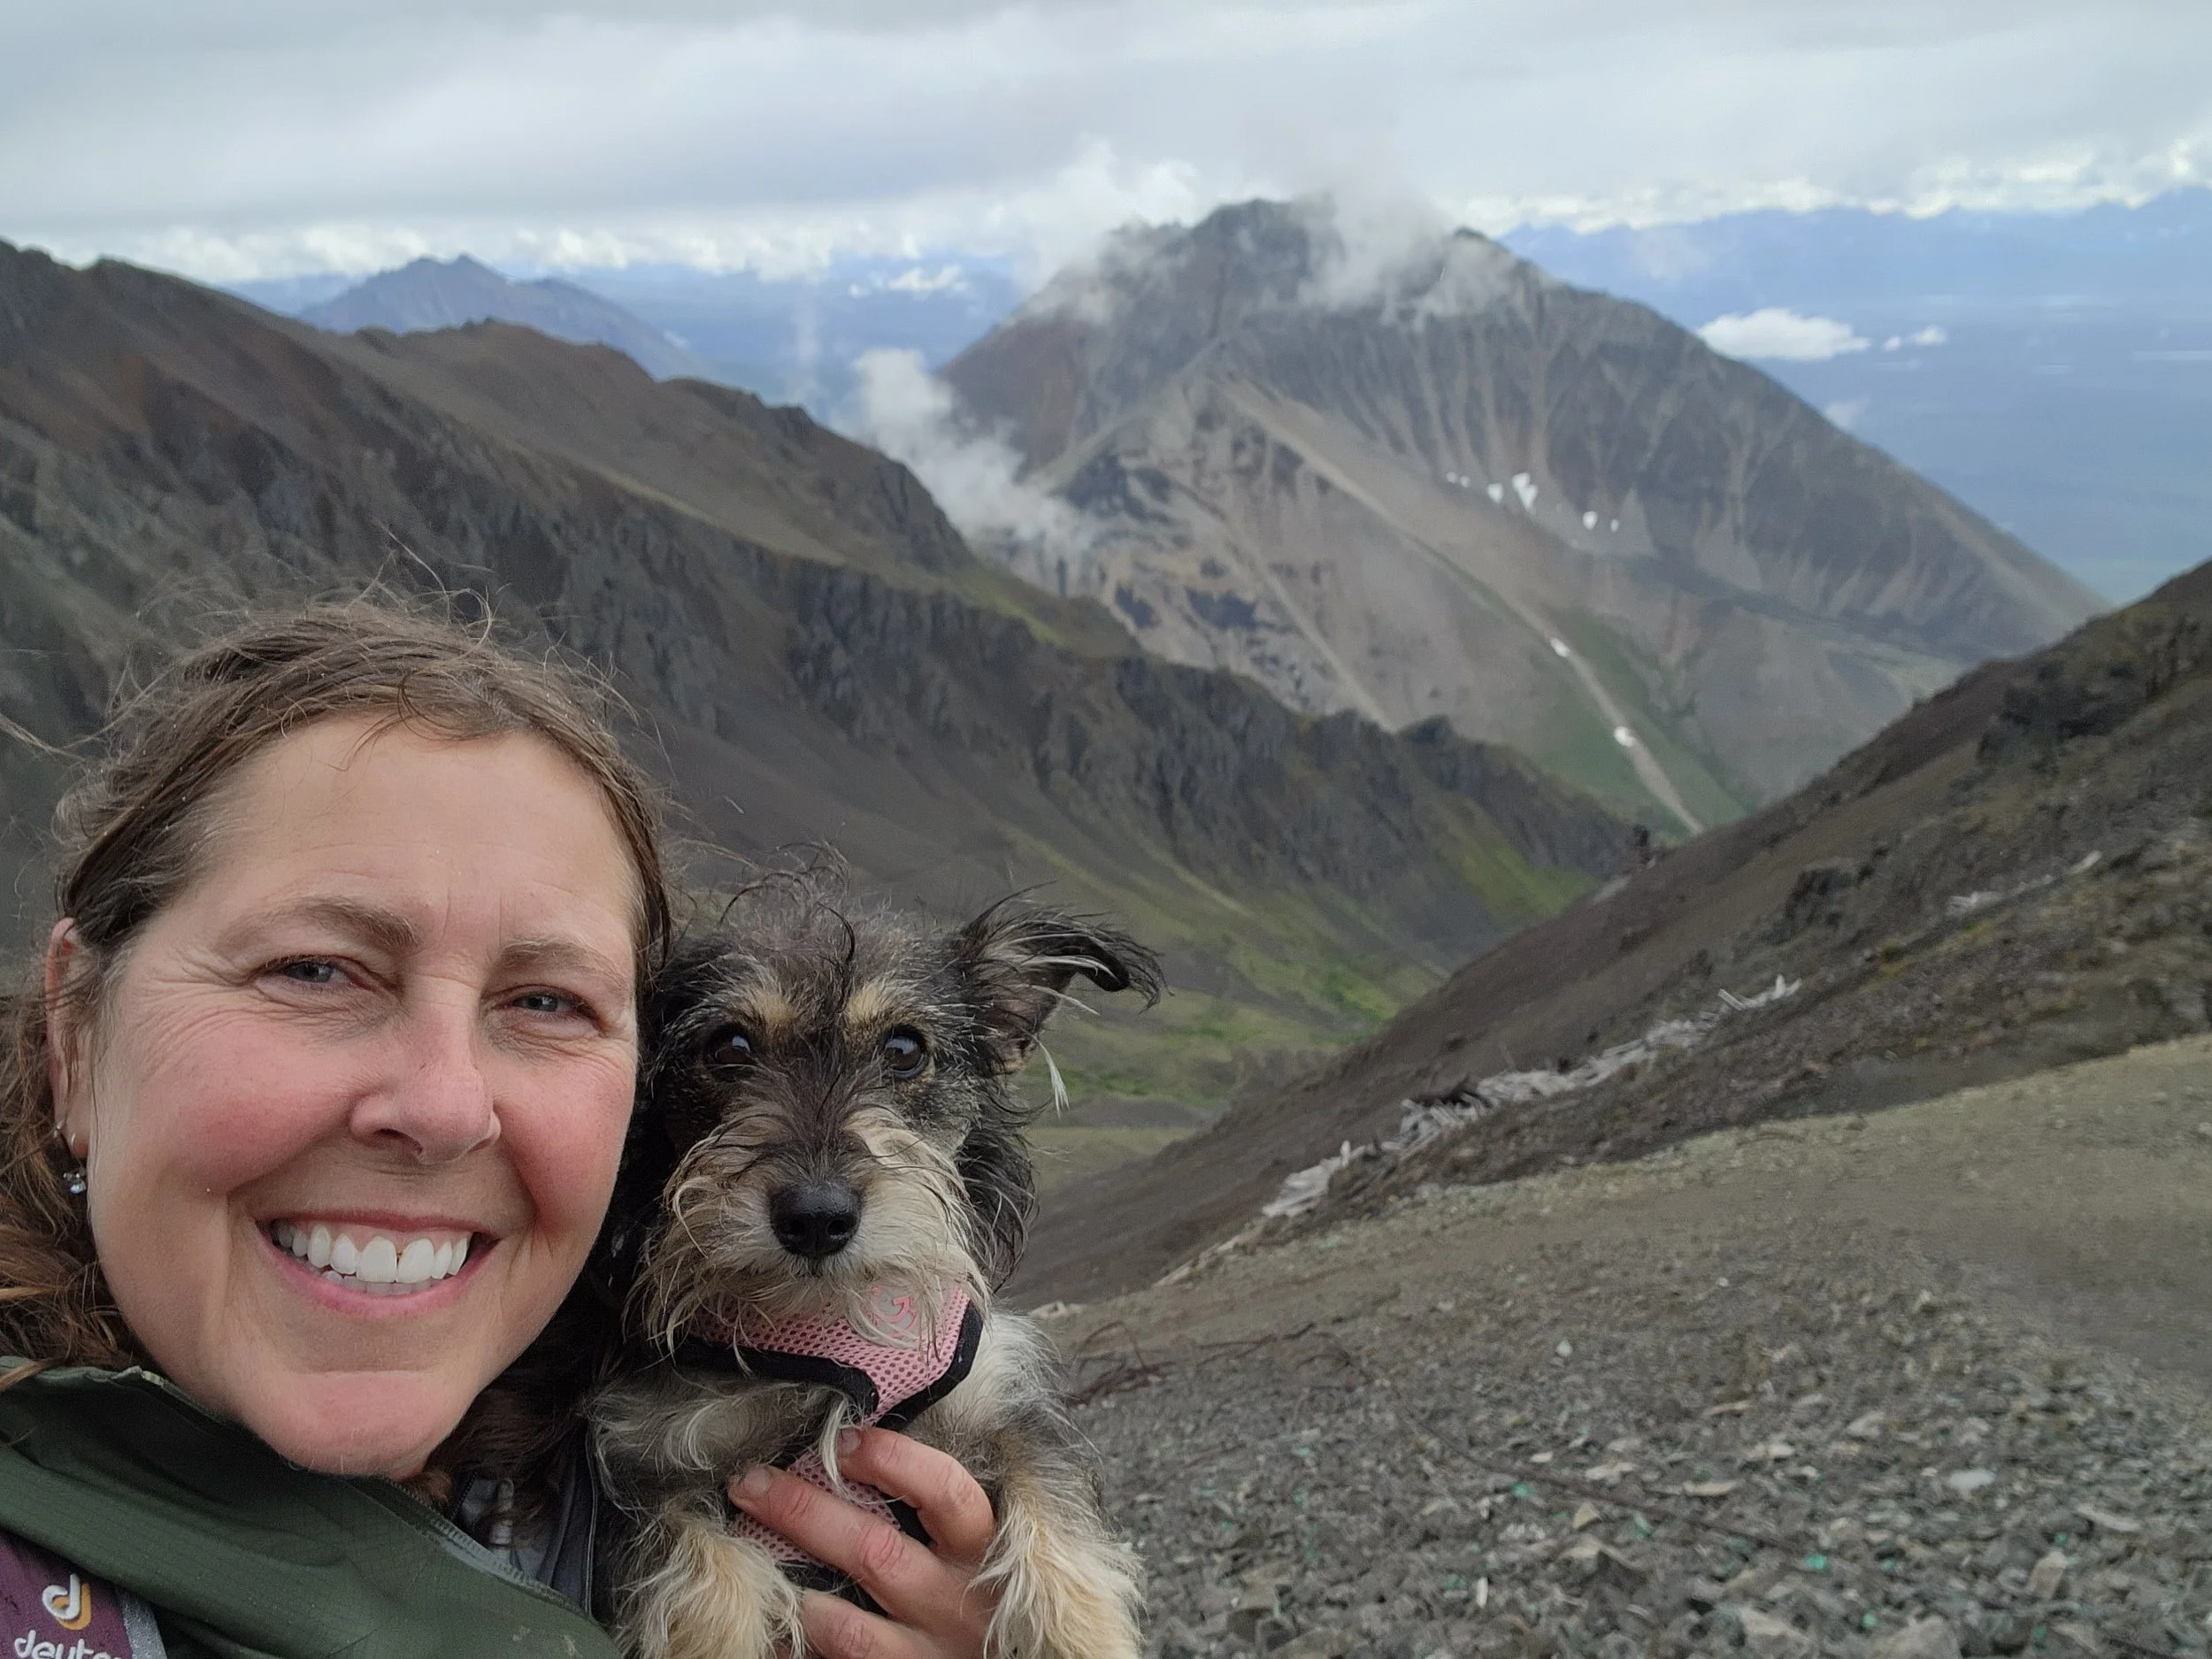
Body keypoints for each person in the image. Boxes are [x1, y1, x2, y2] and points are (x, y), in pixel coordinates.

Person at [0, 601, 1001, 1659]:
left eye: (545, 1002)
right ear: (77, 1033)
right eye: (313, 969)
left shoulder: (669, 1466)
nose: (441, 1106)